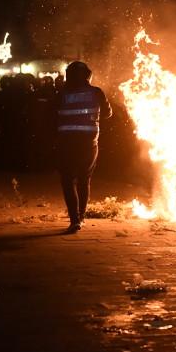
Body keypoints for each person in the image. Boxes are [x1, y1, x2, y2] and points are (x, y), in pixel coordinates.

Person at [55, 61, 112, 233]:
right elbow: (108, 114)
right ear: (88, 75)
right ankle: (81, 217)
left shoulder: (61, 94)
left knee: (67, 180)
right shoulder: (96, 92)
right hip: (89, 143)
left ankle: (74, 221)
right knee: (84, 180)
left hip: (66, 143)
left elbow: (50, 115)